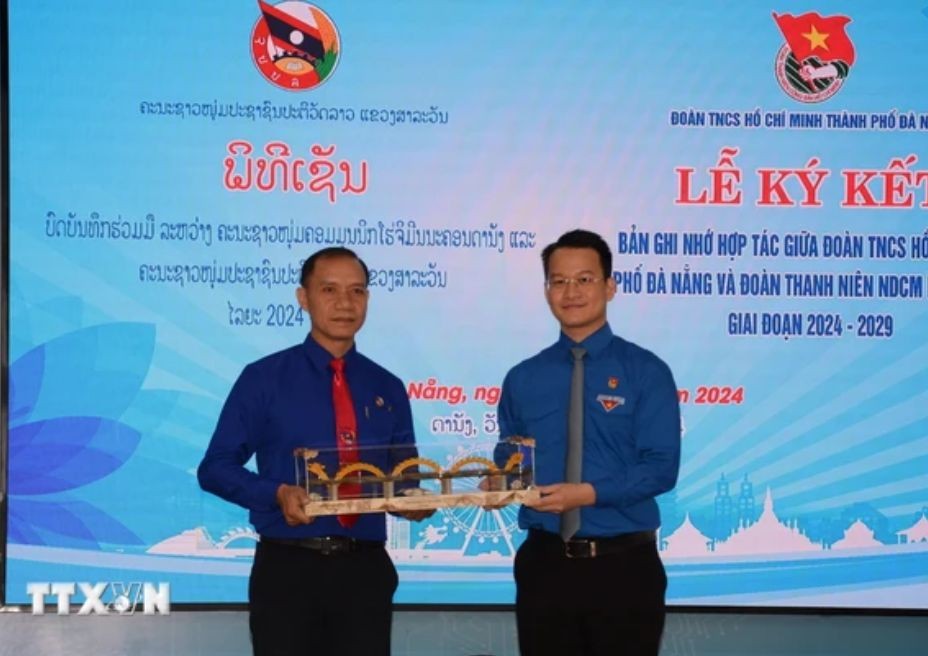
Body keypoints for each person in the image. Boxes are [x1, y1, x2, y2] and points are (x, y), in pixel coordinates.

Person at [198, 246, 430, 656]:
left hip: (365, 571)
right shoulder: (263, 378)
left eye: (357, 291)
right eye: (329, 290)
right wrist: (276, 494)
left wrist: (412, 501)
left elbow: (403, 478)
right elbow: (215, 468)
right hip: (288, 569)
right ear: (303, 298)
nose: (345, 303)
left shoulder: (388, 387)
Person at [497, 229, 681, 656]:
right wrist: (500, 479)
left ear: (610, 286)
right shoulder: (523, 377)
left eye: (584, 279)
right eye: (559, 281)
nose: (571, 292)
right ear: (546, 289)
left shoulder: (646, 371)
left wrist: (588, 494)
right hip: (544, 566)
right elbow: (509, 452)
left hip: (624, 567)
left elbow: (661, 467)